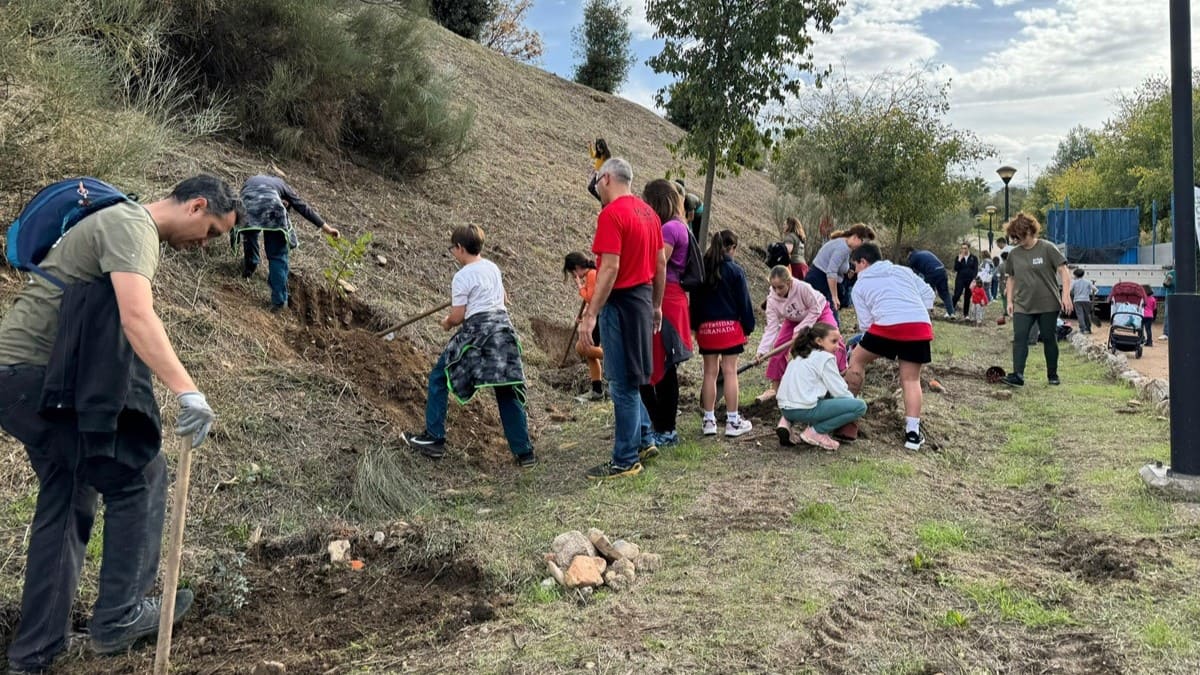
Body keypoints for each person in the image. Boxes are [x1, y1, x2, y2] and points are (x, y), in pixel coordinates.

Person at [0, 175, 240, 673]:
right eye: (213, 232)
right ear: (197, 206)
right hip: (33, 378)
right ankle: (120, 615)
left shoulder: (118, 222)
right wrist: (187, 389)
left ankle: (33, 654)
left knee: (69, 496)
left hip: (22, 379)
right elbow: (136, 317)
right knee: (140, 475)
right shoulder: (133, 225)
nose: (205, 245)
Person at [403, 225, 535, 467]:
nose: (453, 253)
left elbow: (457, 316)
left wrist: (445, 323)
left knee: (439, 376)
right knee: (505, 388)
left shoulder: (462, 276)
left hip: (478, 334)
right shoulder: (492, 267)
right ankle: (524, 453)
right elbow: (503, 298)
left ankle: (434, 438)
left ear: (461, 248)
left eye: (453, 249)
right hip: (504, 334)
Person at [577, 158, 666, 480]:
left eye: (598, 181)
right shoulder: (649, 214)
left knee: (622, 383)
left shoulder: (612, 214)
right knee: (633, 376)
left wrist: (590, 316)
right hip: (643, 300)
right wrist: (656, 305)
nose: (597, 188)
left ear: (607, 179)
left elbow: (610, 269)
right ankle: (645, 439)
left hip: (621, 303)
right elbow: (660, 265)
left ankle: (625, 460)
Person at [842, 243, 935, 451]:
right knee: (910, 379)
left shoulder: (861, 284)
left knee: (857, 359)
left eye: (855, 266)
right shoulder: (904, 271)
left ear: (863, 262)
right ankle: (912, 434)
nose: (854, 271)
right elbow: (929, 296)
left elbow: (866, 325)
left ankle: (846, 417)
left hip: (886, 326)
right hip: (918, 326)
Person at [639, 179, 694, 447]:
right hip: (673, 298)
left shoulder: (670, 228)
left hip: (665, 299)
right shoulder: (680, 225)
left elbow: (656, 263)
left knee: (660, 367)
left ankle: (665, 428)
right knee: (663, 366)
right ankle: (662, 426)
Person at [233, 174, 339, 311]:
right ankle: (279, 301)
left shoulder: (251, 181)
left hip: (247, 204)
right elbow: (303, 207)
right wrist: (327, 229)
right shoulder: (283, 185)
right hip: (273, 208)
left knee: (249, 233)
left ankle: (250, 266)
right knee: (277, 255)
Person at [690, 229, 755, 437]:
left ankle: (709, 421)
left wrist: (695, 326)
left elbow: (695, 303)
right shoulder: (735, 271)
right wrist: (748, 326)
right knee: (729, 372)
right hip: (729, 330)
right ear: (733, 248)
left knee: (709, 373)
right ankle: (733, 421)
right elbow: (743, 302)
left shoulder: (702, 270)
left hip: (706, 330)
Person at [1001, 213, 1073, 387]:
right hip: (1023, 304)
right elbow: (1011, 278)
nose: (1016, 239)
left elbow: (1063, 270)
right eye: (1014, 237)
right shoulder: (1014, 254)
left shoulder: (1047, 248)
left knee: (1049, 338)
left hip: (1047, 303)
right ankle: (1018, 374)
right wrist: (1010, 301)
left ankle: (1052, 374)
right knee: (1020, 337)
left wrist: (1065, 295)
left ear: (1029, 231)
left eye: (1019, 236)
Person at [754, 265, 842, 403]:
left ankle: (840, 377)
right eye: (774, 287)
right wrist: (762, 350)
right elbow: (771, 328)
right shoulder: (772, 300)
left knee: (833, 340)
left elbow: (815, 309)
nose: (777, 291)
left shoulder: (802, 288)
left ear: (789, 282)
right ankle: (775, 389)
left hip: (819, 312)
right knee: (779, 347)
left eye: (781, 287)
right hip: (793, 319)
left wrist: (800, 329)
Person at [776, 323, 867, 451]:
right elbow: (839, 391)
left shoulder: (798, 357)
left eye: (839, 341)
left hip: (786, 409)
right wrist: (850, 404)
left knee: (811, 393)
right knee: (860, 406)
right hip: (805, 410)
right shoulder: (825, 358)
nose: (837, 346)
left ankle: (785, 423)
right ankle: (816, 432)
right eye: (833, 341)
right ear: (819, 341)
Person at [804, 224, 877, 326]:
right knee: (832, 321)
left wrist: (848, 271)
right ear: (856, 237)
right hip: (819, 281)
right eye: (863, 243)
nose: (863, 247)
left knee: (821, 316)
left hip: (820, 279)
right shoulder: (842, 248)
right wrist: (834, 297)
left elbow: (839, 266)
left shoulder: (844, 245)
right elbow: (831, 272)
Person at [563, 252, 605, 400]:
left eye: (572, 272)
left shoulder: (592, 274)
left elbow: (591, 297)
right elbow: (591, 301)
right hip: (595, 315)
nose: (574, 276)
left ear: (576, 268)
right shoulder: (590, 276)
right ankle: (597, 389)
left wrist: (579, 286)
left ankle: (614, 357)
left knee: (582, 347)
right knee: (589, 354)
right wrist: (584, 315)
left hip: (600, 316)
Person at [904, 247, 955, 319]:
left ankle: (928, 312)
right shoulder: (924, 253)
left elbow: (907, 271)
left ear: (909, 253)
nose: (908, 259)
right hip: (942, 270)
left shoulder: (914, 256)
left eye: (907, 257)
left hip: (932, 272)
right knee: (945, 293)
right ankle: (951, 313)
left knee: (928, 292)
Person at [952, 242, 979, 318]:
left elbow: (975, 270)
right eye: (962, 248)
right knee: (957, 294)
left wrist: (974, 279)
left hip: (969, 280)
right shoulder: (958, 257)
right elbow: (956, 268)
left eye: (965, 248)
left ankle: (965, 314)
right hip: (960, 279)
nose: (963, 250)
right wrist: (959, 260)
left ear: (968, 248)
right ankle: (950, 311)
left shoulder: (974, 258)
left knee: (967, 297)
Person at [1069, 268, 1097, 335]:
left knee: (1080, 315)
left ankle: (1082, 329)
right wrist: (1089, 292)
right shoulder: (1088, 282)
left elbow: (1069, 290)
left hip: (1077, 300)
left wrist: (1073, 292)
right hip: (1086, 300)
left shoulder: (1074, 282)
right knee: (1087, 315)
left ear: (1076, 275)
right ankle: (1088, 329)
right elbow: (1095, 289)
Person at [1162, 265, 1175, 340]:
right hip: (1169, 296)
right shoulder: (1170, 273)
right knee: (1167, 314)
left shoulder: (1184, 273)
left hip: (1178, 295)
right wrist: (1167, 281)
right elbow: (1165, 285)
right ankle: (1166, 333)